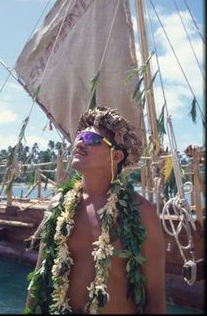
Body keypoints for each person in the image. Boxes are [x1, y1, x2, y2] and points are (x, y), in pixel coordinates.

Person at [25, 106, 166, 314]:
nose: (81, 142)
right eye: (80, 136)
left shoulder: (142, 213)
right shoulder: (58, 206)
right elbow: (38, 280)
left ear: (116, 156)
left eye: (91, 138)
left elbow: (155, 296)